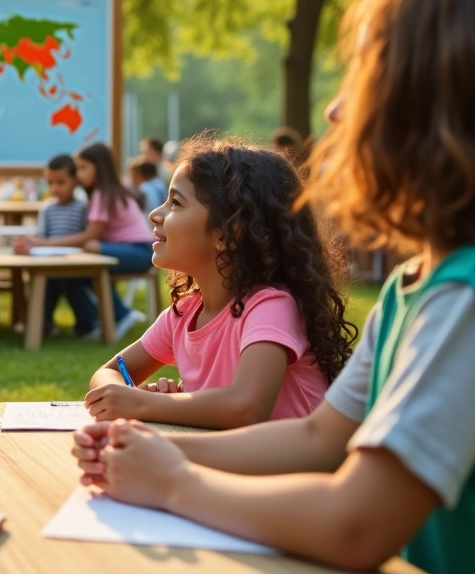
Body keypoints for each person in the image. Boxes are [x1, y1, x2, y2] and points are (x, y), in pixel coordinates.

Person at [71, 0, 475, 574]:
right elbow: (320, 439)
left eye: (366, 76)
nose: (333, 110)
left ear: (443, 112)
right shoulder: (420, 284)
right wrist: (145, 450)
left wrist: (173, 484)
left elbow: (356, 525)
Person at [84, 135, 355, 428]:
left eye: (175, 202)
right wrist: (132, 395)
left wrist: (146, 403)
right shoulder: (184, 313)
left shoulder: (271, 307)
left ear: (228, 234)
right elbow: (107, 374)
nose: (155, 213)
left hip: (287, 471)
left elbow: (246, 408)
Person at [16, 142, 147, 339]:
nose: (78, 174)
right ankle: (101, 318)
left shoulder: (102, 195)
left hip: (139, 252)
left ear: (99, 168)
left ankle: (121, 316)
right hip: (136, 250)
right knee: (80, 267)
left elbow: (90, 236)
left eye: (83, 168)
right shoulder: (103, 194)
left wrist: (46, 244)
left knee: (89, 252)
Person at [30, 153, 101, 339]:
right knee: (45, 285)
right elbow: (41, 236)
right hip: (49, 262)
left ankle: (88, 325)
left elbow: (85, 235)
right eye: (50, 183)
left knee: (73, 284)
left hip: (75, 263)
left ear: (74, 181)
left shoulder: (82, 207)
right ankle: (43, 325)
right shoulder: (47, 208)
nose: (55, 188)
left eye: (61, 183)